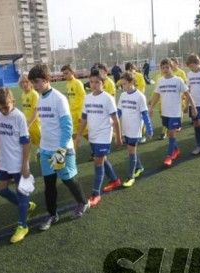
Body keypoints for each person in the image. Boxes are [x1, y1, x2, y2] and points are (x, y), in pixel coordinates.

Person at [27, 64, 89, 231]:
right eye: (33, 82)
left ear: (47, 80)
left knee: (68, 179)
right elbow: (46, 126)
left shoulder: (59, 98)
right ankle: (52, 214)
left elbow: (67, 127)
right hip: (46, 149)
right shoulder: (40, 98)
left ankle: (83, 202)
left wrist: (61, 150)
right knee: (49, 184)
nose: (35, 85)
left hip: (61, 149)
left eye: (38, 81)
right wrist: (41, 148)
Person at [0, 88, 36, 243]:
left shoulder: (19, 116)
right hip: (4, 160)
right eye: (0, 107)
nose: (3, 110)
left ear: (13, 102)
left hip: (18, 161)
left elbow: (26, 142)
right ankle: (26, 206)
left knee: (22, 191)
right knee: (1, 189)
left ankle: (23, 225)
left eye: (6, 107)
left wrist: (25, 164)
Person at [75, 69, 122, 207]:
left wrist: (118, 137)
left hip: (104, 135)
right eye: (91, 82)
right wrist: (78, 136)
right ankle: (114, 180)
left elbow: (116, 119)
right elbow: (84, 118)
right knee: (102, 159)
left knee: (98, 163)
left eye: (97, 82)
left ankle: (96, 194)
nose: (94, 85)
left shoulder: (108, 98)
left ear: (103, 82)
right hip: (93, 135)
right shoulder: (87, 98)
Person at [150, 59, 197, 168]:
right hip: (165, 112)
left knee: (171, 133)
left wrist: (193, 107)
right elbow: (156, 95)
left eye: (167, 67)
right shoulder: (160, 81)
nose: (165, 70)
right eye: (163, 68)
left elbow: (188, 94)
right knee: (171, 133)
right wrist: (151, 107)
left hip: (175, 113)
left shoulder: (178, 80)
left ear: (172, 68)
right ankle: (176, 150)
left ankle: (169, 156)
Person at [117, 71, 153, 187]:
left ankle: (131, 177)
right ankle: (140, 167)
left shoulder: (140, 96)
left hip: (135, 129)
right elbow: (118, 112)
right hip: (125, 128)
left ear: (132, 82)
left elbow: (145, 114)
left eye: (125, 84)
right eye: (122, 85)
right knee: (131, 150)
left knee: (131, 152)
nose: (123, 87)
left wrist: (149, 128)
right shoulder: (122, 95)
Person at [61, 65, 86, 137]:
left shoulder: (78, 83)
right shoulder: (68, 84)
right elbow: (70, 97)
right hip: (72, 112)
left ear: (72, 72)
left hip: (79, 112)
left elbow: (84, 97)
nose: (65, 75)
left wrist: (82, 113)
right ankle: (74, 148)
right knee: (74, 133)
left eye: (66, 73)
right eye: (64, 74)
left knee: (85, 132)